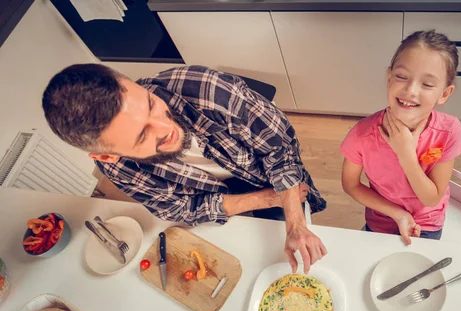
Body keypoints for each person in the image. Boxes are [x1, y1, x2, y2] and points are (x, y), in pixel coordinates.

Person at [42, 64, 327, 272]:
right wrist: (264, 199)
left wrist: (296, 225)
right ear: (107, 157)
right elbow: (182, 210)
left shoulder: (208, 90)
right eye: (143, 136)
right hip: (223, 201)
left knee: (284, 264)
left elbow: (280, 149)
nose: (168, 128)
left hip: (265, 172)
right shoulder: (117, 169)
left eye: (151, 104)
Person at [340, 30, 461, 244]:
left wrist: (406, 153)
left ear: (444, 94)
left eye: (427, 84)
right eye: (401, 77)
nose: (410, 90)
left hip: (427, 224)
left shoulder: (449, 131)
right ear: (389, 77)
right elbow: (350, 184)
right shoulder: (362, 134)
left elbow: (431, 198)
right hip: (381, 220)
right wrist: (397, 213)